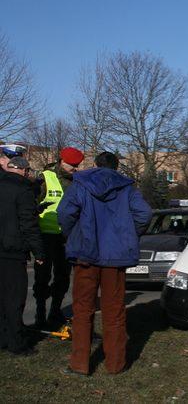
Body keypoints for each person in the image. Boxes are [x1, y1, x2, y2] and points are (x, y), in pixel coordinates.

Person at [57, 151, 152, 376]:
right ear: (116, 167)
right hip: (115, 258)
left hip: (86, 257)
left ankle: (79, 364)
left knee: (82, 310)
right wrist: (128, 235)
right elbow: (144, 214)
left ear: (96, 164)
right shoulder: (126, 187)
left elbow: (64, 213)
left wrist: (74, 235)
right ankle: (116, 364)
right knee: (114, 310)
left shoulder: (81, 183)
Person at [34, 146, 84, 328]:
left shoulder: (77, 181)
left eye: (77, 165)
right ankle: (40, 315)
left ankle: (55, 312)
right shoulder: (45, 177)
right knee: (42, 277)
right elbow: (33, 204)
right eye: (72, 165)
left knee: (62, 277)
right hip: (45, 235)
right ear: (62, 162)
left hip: (66, 237)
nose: (75, 168)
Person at [0, 157, 45, 356]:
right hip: (13, 251)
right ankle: (16, 342)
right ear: (24, 171)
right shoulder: (23, 190)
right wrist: (39, 252)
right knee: (14, 299)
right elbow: (28, 224)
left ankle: (3, 337)